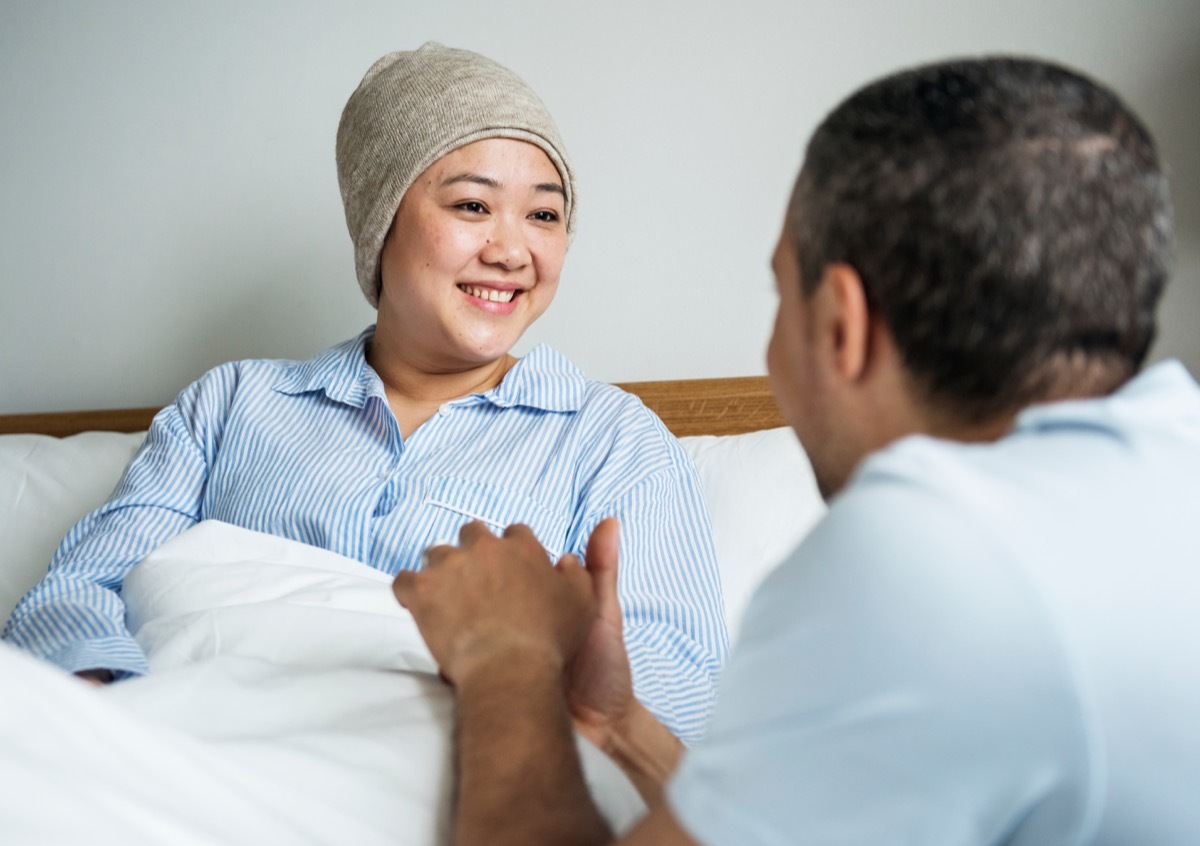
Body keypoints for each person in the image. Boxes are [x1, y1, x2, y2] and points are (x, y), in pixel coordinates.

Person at [394, 56, 1200, 844]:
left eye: (781, 293)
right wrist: (619, 724)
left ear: (842, 323)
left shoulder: (925, 556)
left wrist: (507, 657)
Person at [2, 43, 728, 743]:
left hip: (459, 788)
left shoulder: (612, 439)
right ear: (380, 224)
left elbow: (683, 691)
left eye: (544, 214)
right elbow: (75, 593)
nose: (512, 251)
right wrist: (108, 736)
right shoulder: (228, 407)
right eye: (473, 206)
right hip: (188, 761)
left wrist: (514, 667)